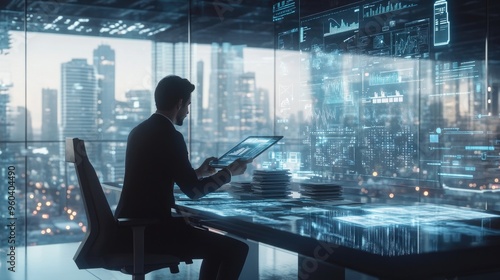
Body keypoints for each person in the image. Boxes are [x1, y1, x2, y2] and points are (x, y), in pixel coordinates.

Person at [114, 75, 250, 280]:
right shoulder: (170, 136)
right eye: (188, 105)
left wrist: (198, 172)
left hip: (130, 230)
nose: (187, 112)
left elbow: (155, 177)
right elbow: (194, 191)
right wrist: (229, 172)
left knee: (216, 247)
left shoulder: (139, 131)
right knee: (236, 249)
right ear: (179, 103)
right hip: (154, 233)